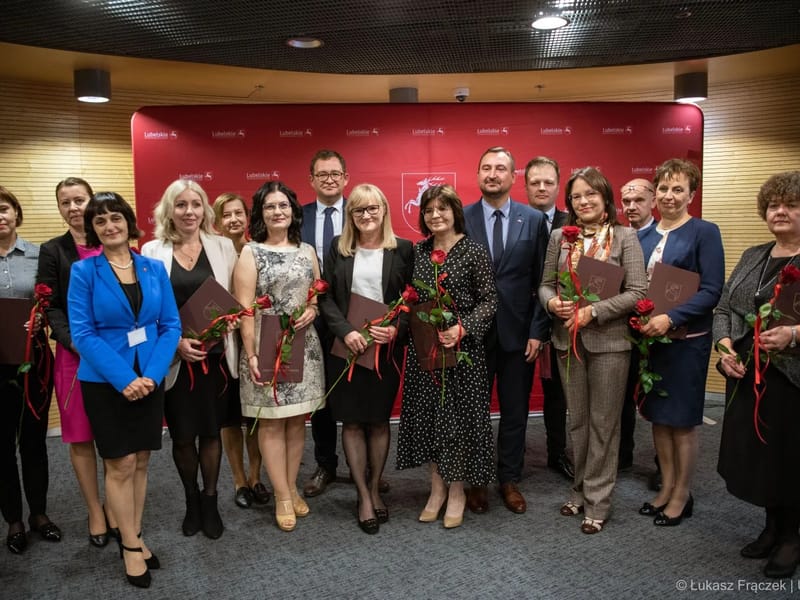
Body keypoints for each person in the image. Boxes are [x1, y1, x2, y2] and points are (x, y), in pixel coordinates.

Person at [68, 192, 181, 588]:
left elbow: (170, 326)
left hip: (149, 377)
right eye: (100, 222)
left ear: (128, 222)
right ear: (93, 230)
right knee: (120, 463)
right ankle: (131, 546)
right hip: (106, 381)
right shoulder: (84, 273)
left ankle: (134, 532)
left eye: (115, 218)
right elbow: (82, 334)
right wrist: (125, 379)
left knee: (143, 461)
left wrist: (150, 374)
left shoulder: (153, 268)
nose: (109, 226)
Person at [539, 167, 647, 534]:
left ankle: (599, 500)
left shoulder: (624, 237)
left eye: (590, 195)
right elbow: (545, 285)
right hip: (566, 340)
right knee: (577, 420)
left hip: (610, 343)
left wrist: (594, 311)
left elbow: (638, 292)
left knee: (604, 424)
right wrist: (553, 304)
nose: (582, 202)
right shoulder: (560, 237)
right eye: (576, 197)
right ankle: (579, 490)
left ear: (605, 200)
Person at [142, 179, 238, 540]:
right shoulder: (152, 251)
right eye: (180, 205)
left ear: (205, 209)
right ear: (169, 210)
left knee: (212, 433)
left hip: (215, 360)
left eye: (195, 204)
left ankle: (211, 501)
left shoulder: (223, 246)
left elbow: (232, 298)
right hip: (175, 361)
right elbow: (147, 310)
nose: (189, 212)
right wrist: (176, 343)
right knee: (183, 437)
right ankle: (191, 501)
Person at [715, 171, 800, 579]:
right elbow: (724, 309)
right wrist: (723, 346)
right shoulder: (755, 255)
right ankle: (771, 527)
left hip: (793, 378)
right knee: (762, 454)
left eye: (791, 205)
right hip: (749, 371)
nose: (779, 211)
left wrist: (796, 334)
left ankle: (791, 537)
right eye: (772, 205)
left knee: (789, 454)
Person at [397, 184, 497, 529]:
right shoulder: (418, 252)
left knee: (458, 424)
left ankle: (456, 492)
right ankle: (435, 490)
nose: (435, 215)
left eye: (442, 208)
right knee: (430, 422)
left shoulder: (473, 251)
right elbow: (409, 298)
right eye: (428, 210)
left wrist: (463, 328)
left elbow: (489, 302)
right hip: (425, 353)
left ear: (456, 212)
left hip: (462, 353)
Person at [318, 183, 413, 534]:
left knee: (377, 421)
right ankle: (362, 495)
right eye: (359, 210)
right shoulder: (338, 249)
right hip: (346, 348)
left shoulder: (403, 249)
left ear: (384, 210)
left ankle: (375, 489)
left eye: (373, 208)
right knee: (352, 422)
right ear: (351, 216)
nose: (367, 215)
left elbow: (412, 300)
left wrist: (397, 330)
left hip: (384, 350)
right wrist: (345, 330)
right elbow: (325, 298)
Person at [637, 159, 724, 527]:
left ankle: (682, 494)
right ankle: (666, 487)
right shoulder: (643, 235)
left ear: (691, 193)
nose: (669, 196)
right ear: (654, 193)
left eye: (678, 189)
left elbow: (711, 290)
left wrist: (670, 318)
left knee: (683, 421)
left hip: (687, 341)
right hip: (650, 343)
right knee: (659, 418)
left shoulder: (704, 232)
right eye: (663, 188)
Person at [235, 180, 325, 532]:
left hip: (303, 344)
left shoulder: (307, 251)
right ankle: (283, 496)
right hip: (266, 344)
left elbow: (316, 293)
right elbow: (244, 309)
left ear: (293, 211)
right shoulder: (250, 252)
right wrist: (252, 353)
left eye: (284, 206)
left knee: (295, 421)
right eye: (270, 206)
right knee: (271, 421)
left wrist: (313, 310)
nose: (278, 212)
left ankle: (288, 487)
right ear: (260, 213)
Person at [463, 147, 549, 515]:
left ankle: (509, 478)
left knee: (515, 411)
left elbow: (544, 279)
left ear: (514, 177)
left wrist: (538, 331)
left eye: (501, 169)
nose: (492, 174)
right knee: (474, 412)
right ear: (478, 174)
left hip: (519, 334)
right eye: (486, 168)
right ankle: (477, 480)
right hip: (473, 335)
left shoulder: (532, 220)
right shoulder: (460, 217)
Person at [37, 177, 120, 548]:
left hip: (117, 356)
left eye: (79, 200)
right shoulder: (53, 250)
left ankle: (117, 507)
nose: (73, 208)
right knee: (82, 437)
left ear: (91, 202)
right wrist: (76, 343)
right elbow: (51, 306)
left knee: (115, 435)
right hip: (74, 358)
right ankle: (95, 510)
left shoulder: (114, 241)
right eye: (65, 202)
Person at [0, 186, 59, 555]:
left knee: (35, 440)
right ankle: (14, 521)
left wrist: (43, 323)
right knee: (2, 445)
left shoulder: (39, 256)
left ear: (16, 214)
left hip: (33, 359)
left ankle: (38, 514)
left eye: (4, 209)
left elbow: (55, 306)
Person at [211, 193, 271, 509]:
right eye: (226, 214)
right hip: (222, 348)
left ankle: (256, 475)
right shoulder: (210, 254)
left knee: (256, 416)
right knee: (229, 419)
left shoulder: (258, 249)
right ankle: (238, 481)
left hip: (256, 344)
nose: (233, 219)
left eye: (239, 213)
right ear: (216, 221)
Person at [301, 149, 348, 498]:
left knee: (357, 393)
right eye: (322, 174)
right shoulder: (296, 217)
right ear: (312, 180)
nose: (329, 179)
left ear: (346, 178)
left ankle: (363, 467)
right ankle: (325, 464)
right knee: (320, 396)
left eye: (335, 173)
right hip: (311, 316)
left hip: (354, 317)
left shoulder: (362, 212)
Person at [524, 156, 574, 481]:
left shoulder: (576, 221)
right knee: (517, 394)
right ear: (526, 185)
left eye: (548, 182)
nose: (542, 187)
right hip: (522, 323)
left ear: (558, 185)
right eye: (535, 182)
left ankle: (558, 452)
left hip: (563, 323)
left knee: (558, 395)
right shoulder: (516, 220)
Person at [618, 178, 658, 472]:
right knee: (621, 397)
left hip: (660, 329)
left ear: (653, 201)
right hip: (622, 330)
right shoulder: (616, 236)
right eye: (626, 202)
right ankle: (622, 455)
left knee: (659, 399)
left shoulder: (664, 237)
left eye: (639, 201)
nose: (631, 206)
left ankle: (663, 465)